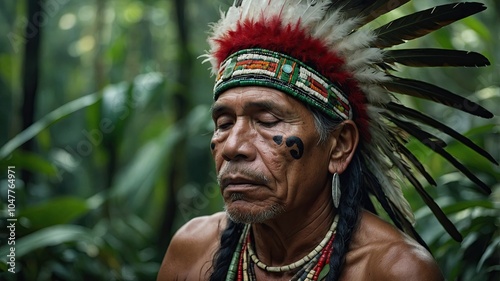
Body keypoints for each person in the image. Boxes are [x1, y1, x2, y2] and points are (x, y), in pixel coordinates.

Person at [157, 1, 496, 280]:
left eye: (267, 120)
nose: (233, 147)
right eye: (224, 122)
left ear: (339, 146)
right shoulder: (191, 250)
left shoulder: (394, 271)